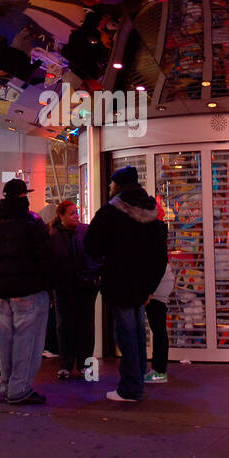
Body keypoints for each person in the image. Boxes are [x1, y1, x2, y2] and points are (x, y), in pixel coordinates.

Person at [85, 165, 168, 404]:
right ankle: (137, 380)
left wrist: (102, 267)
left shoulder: (110, 213)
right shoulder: (152, 212)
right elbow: (160, 256)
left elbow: (92, 245)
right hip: (142, 286)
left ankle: (130, 388)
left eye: (112, 184)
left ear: (118, 185)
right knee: (138, 333)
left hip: (119, 282)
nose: (110, 188)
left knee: (126, 334)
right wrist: (150, 286)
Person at [0, 178, 55, 405]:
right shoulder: (32, 223)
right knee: (27, 339)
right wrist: (50, 288)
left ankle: (7, 384)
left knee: (5, 340)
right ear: (24, 197)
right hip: (28, 290)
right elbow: (45, 258)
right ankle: (19, 388)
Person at [49, 200, 99, 380]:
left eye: (76, 212)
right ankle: (67, 364)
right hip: (65, 287)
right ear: (61, 216)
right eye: (72, 213)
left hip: (84, 286)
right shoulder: (54, 236)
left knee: (84, 325)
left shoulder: (83, 232)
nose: (76, 216)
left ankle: (83, 364)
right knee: (66, 325)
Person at [145, 256, 175, 384]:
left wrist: (149, 291)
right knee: (159, 329)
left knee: (158, 329)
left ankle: (159, 371)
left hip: (157, 285)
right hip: (162, 282)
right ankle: (159, 370)